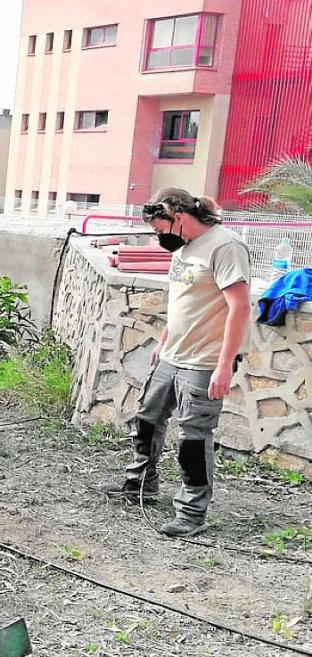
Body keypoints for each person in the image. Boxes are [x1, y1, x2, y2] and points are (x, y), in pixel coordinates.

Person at [101, 188, 251, 537]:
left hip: (203, 361)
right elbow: (183, 298)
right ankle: (140, 484)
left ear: (178, 218)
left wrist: (224, 364)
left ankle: (191, 513)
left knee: (193, 438)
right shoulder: (183, 248)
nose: (159, 237)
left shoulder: (225, 246)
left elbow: (239, 307)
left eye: (160, 229)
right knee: (147, 419)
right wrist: (165, 339)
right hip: (172, 354)